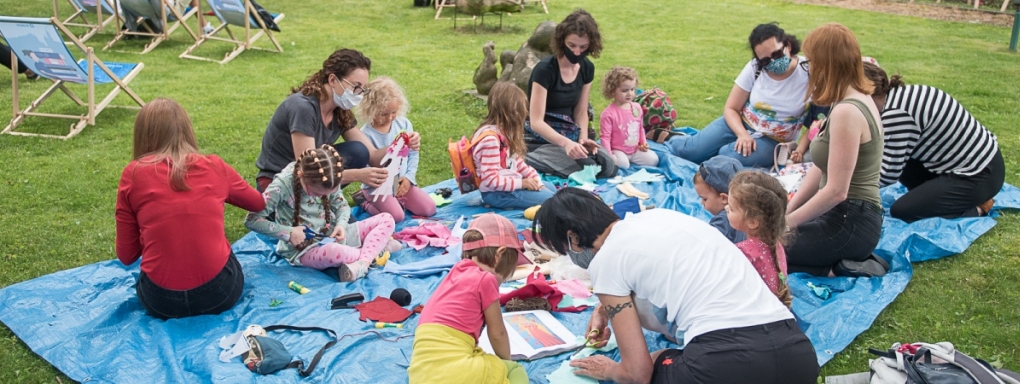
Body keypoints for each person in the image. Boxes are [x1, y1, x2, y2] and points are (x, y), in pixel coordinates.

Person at [533, 188, 818, 383]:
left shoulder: (604, 262)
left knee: (657, 359)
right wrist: (605, 307)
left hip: (725, 364)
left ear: (573, 239)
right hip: (798, 356)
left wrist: (610, 370)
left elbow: (637, 374)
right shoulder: (659, 217)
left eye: (564, 249)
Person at [115, 98, 265, 319]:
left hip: (160, 301)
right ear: (187, 131)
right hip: (220, 293)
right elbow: (258, 203)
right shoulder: (215, 166)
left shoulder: (133, 174)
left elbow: (127, 256)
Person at [785, 23, 887, 278]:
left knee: (763, 249)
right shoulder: (847, 98)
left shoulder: (847, 111)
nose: (809, 71)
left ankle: (841, 267)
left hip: (850, 223)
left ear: (826, 64)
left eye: (811, 63)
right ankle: (838, 264)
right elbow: (821, 167)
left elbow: (836, 192)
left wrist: (786, 225)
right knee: (765, 237)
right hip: (844, 216)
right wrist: (788, 214)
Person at [254, 48, 421, 192]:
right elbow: (308, 171)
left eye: (363, 89)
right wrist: (357, 175)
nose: (359, 94)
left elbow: (374, 157)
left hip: (313, 183)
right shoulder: (303, 108)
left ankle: (323, 200)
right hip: (280, 184)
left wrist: (401, 143)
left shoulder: (340, 110)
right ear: (333, 80)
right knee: (336, 228)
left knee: (358, 150)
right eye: (355, 86)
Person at [863, 62, 1004, 223]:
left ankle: (979, 208)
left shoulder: (896, 113)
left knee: (903, 211)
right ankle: (936, 199)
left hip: (979, 174)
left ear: (866, 93)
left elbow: (886, 174)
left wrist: (843, 190)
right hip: (970, 164)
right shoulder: (898, 95)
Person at [666, 23, 810, 168]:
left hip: (773, 140)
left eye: (777, 54)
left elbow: (818, 120)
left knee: (724, 159)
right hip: (739, 123)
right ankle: (670, 138)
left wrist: (800, 149)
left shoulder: (809, 73)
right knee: (689, 152)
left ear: (788, 45)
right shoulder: (755, 67)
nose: (773, 62)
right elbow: (731, 108)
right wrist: (742, 134)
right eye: (765, 60)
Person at [245, 145, 397, 282]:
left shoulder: (330, 175)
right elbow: (252, 219)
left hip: (330, 235)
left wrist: (341, 225)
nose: (320, 197)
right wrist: (289, 233)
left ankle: (362, 262)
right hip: (305, 249)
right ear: (301, 176)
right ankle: (376, 251)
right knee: (336, 252)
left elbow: (342, 206)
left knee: (387, 219)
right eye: (317, 193)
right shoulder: (282, 186)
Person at [407, 213, 527, 384]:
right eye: (504, 275)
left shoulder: (455, 272)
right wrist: (506, 362)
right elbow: (497, 333)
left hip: (420, 375)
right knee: (514, 369)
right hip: (460, 373)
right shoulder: (486, 279)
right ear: (499, 255)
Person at [523, 9, 617, 179]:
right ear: (562, 42)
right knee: (586, 170)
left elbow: (581, 110)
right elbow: (536, 121)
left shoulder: (587, 68)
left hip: (571, 132)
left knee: (608, 166)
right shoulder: (545, 70)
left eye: (583, 47)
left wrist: (582, 139)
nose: (576, 52)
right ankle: (528, 157)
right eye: (571, 45)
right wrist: (566, 144)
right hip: (541, 137)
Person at [355, 76, 436, 222]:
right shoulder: (365, 134)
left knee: (429, 209)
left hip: (400, 182)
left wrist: (409, 179)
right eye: (383, 114)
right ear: (370, 110)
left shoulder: (403, 124)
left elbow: (412, 154)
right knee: (397, 216)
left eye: (393, 112)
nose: (389, 118)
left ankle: (395, 201)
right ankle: (364, 201)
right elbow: (367, 168)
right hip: (378, 186)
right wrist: (386, 185)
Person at [472, 82, 555, 209]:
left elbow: (519, 164)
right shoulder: (491, 140)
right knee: (551, 200)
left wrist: (535, 180)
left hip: (508, 186)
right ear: (512, 113)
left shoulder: (504, 133)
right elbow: (491, 181)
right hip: (497, 194)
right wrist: (521, 183)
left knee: (551, 189)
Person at [726, 171, 793, 307]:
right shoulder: (775, 242)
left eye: (732, 209)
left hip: (753, 312)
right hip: (773, 307)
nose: (726, 208)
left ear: (753, 222)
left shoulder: (744, 252)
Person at [599, 66, 658, 168]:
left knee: (653, 160)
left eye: (632, 89)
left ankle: (628, 160)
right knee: (624, 165)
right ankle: (617, 160)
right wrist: (609, 155)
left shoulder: (636, 107)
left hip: (635, 150)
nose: (630, 93)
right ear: (612, 91)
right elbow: (605, 137)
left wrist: (643, 143)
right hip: (617, 150)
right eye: (624, 90)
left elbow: (640, 128)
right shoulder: (608, 113)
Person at [694, 155, 747, 243]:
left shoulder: (723, 221)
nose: (701, 202)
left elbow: (705, 245)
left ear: (723, 198)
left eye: (704, 199)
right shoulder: (748, 211)